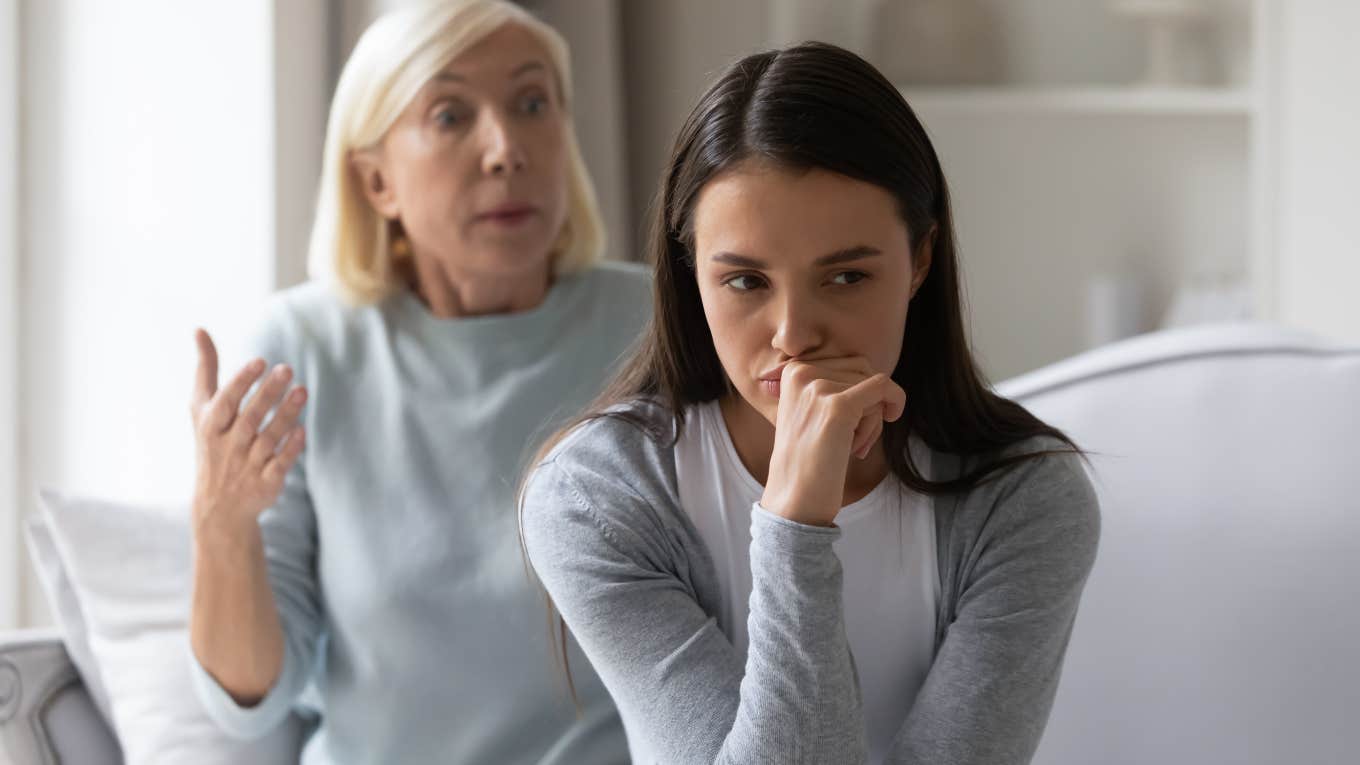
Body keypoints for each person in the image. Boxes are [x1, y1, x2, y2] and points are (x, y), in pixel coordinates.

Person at [520, 42, 1101, 765]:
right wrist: (795, 517)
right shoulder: (596, 500)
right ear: (689, 272)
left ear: (920, 260)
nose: (794, 334)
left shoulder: (1026, 499)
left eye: (847, 276)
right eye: (745, 282)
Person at [185, 2, 645, 762]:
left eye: (532, 104)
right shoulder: (299, 349)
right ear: (376, 183)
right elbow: (250, 695)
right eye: (451, 115)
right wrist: (220, 523)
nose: (505, 148)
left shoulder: (651, 325)